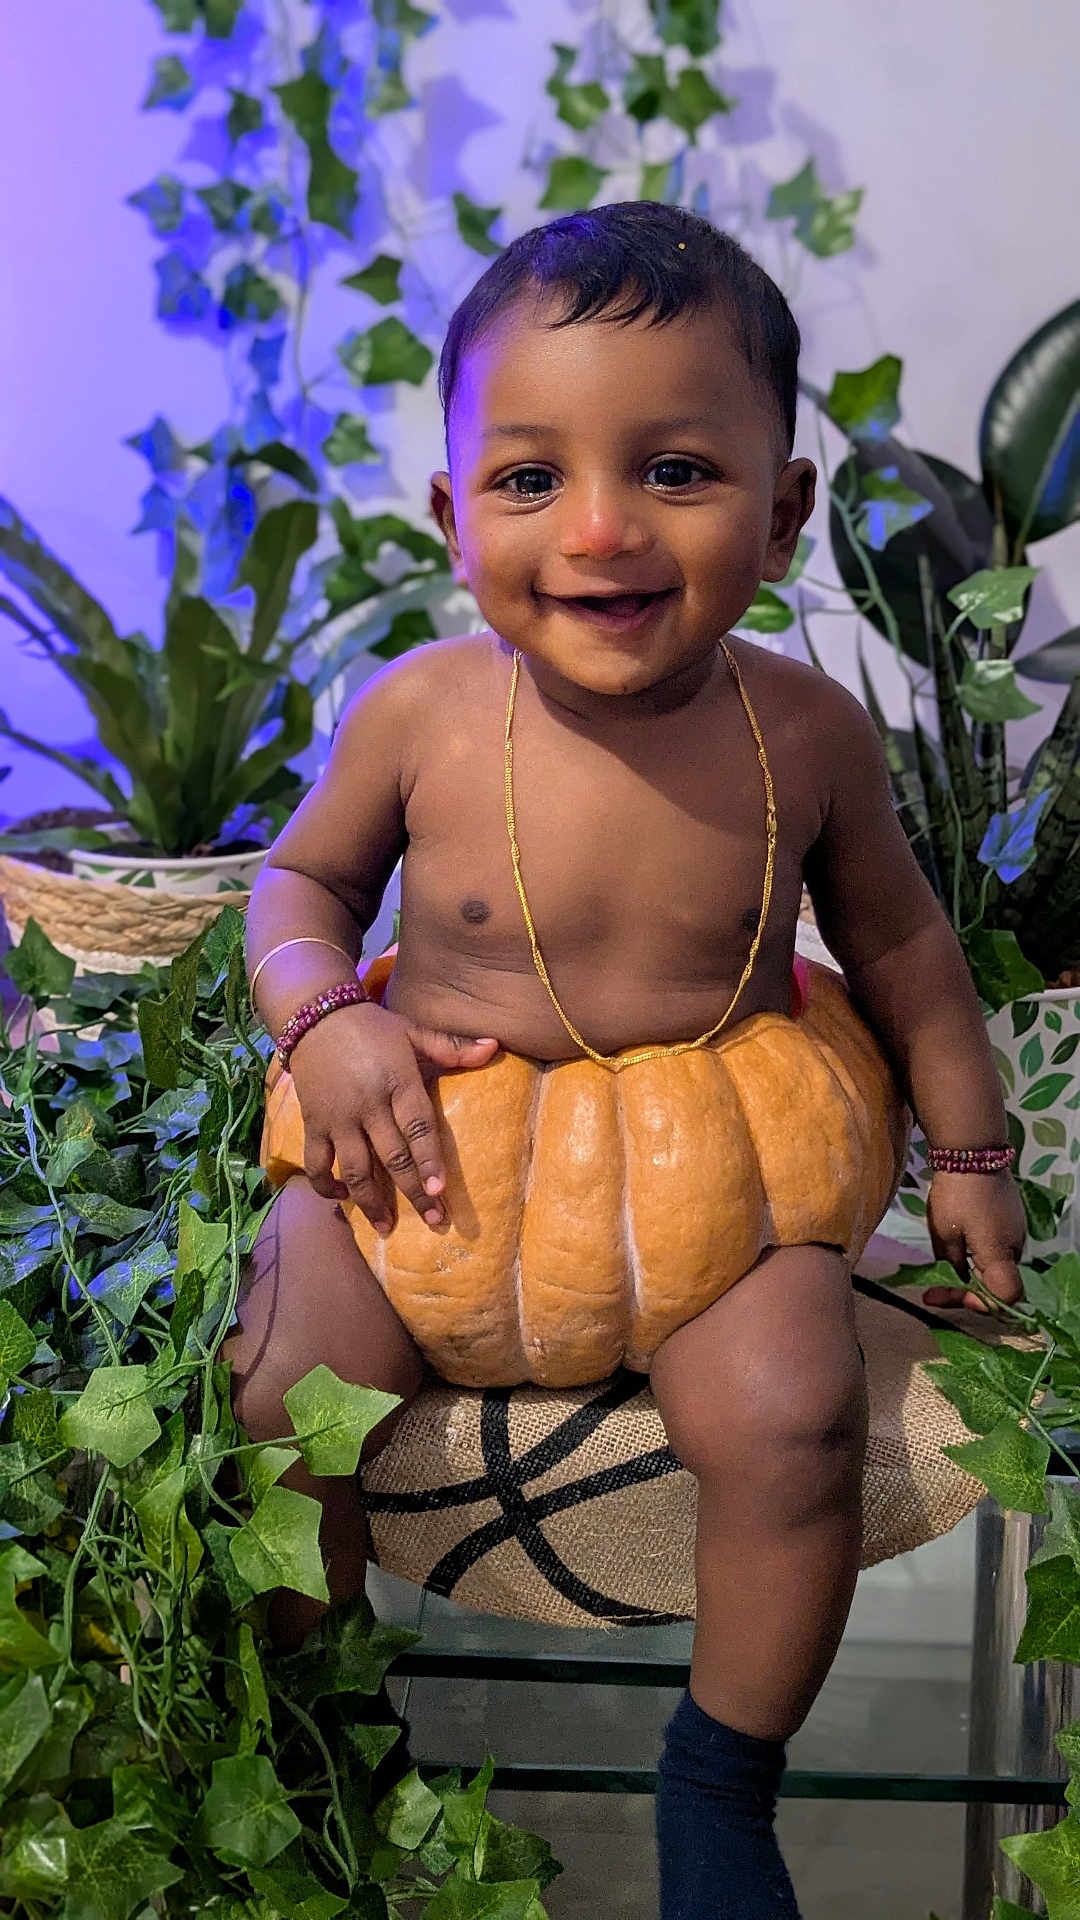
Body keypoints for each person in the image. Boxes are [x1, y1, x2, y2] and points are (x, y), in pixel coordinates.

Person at [221, 201, 1025, 1918]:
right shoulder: (424, 714)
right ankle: (318, 1724)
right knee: (281, 1389)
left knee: (800, 1409)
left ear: (786, 509)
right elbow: (297, 886)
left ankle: (719, 1779)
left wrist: (971, 1163)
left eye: (674, 471)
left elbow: (904, 959)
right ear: (451, 517)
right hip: (425, 1162)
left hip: (716, 1185)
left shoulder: (804, 733)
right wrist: (325, 1012)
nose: (599, 531)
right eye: (529, 479)